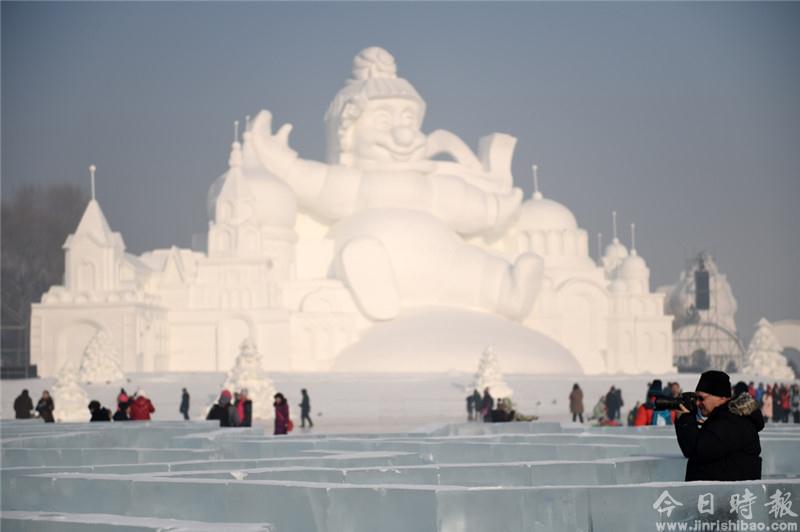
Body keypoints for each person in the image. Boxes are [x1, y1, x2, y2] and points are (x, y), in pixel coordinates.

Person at [675, 370, 763, 481]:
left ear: (722, 397)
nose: (697, 403)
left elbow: (697, 450)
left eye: (701, 398)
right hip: (719, 494)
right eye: (696, 398)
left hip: (728, 496)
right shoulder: (722, 418)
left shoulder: (734, 421)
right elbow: (692, 449)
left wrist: (686, 419)